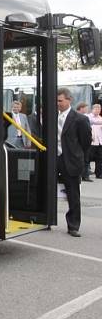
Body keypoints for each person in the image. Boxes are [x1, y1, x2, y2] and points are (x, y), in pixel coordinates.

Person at [56, 88, 91, 237]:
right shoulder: (52, 117)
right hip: (54, 159)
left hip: (70, 161)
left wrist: (78, 157)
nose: (57, 103)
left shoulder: (80, 119)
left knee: (73, 195)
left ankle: (73, 225)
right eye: (56, 101)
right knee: (46, 189)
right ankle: (46, 219)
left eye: (60, 101)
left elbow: (86, 142)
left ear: (69, 100)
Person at [88, 103, 102, 179]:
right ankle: (85, 173)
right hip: (92, 141)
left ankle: (99, 173)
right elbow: (92, 122)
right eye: (96, 109)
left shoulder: (100, 118)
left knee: (100, 158)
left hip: (100, 141)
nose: (98, 111)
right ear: (92, 109)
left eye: (99, 109)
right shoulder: (89, 117)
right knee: (89, 158)